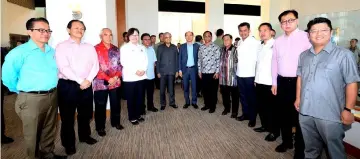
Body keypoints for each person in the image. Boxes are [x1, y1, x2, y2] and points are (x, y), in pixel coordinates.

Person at [296, 17, 360, 159]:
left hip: (330, 115)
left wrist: (349, 109)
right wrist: (298, 98)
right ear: (308, 34)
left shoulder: (344, 55)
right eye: (314, 31)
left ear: (331, 33)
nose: (318, 34)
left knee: (335, 152)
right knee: (310, 150)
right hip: (306, 112)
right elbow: (300, 77)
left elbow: (352, 83)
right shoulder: (303, 56)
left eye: (323, 30)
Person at [2, 17, 65, 159]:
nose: (46, 33)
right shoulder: (19, 52)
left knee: (50, 128)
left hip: (52, 95)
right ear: (29, 32)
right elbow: (7, 77)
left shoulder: (52, 51)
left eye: (48, 30)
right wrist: (22, 91)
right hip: (31, 99)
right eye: (41, 30)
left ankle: (48, 153)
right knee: (32, 134)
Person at [271, 10, 311, 158]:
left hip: (299, 82)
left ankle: (300, 150)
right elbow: (274, 61)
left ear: (297, 21)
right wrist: (274, 82)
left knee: (299, 117)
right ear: (280, 24)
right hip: (282, 82)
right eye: (283, 21)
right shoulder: (278, 41)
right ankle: (287, 141)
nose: (287, 24)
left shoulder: (306, 37)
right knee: (283, 115)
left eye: (290, 20)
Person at [55, 20, 99, 155]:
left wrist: (88, 80)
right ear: (68, 30)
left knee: (85, 114)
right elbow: (63, 67)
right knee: (67, 117)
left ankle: (85, 136)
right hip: (68, 85)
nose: (80, 30)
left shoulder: (89, 47)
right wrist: (81, 80)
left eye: (82, 28)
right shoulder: (61, 46)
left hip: (86, 84)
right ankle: (69, 144)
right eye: (76, 27)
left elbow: (95, 65)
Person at [93, 28, 124, 137]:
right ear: (100, 36)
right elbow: (94, 67)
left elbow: (120, 65)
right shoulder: (95, 49)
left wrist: (116, 77)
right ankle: (100, 127)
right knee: (100, 105)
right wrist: (108, 78)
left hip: (115, 82)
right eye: (106, 34)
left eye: (110, 35)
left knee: (116, 104)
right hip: (100, 82)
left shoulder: (116, 49)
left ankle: (116, 122)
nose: (109, 37)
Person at [254, 23, 279, 142]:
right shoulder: (260, 45)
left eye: (265, 30)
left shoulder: (276, 45)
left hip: (270, 83)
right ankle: (265, 126)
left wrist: (276, 83)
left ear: (271, 32)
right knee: (261, 106)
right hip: (259, 81)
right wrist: (255, 79)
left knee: (272, 109)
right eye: (260, 30)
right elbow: (258, 65)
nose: (262, 33)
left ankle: (274, 131)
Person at [235, 22, 261, 127]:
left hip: (250, 74)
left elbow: (258, 61)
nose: (243, 33)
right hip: (240, 73)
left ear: (249, 31)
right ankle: (245, 114)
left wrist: (256, 77)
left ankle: (252, 117)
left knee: (251, 97)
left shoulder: (255, 43)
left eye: (245, 30)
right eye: (241, 31)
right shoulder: (239, 42)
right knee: (243, 96)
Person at [120, 28, 148, 125]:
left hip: (141, 76)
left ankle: (138, 114)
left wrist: (143, 70)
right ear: (128, 37)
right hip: (130, 77)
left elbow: (146, 60)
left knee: (140, 97)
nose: (135, 37)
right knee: (131, 98)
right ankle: (132, 117)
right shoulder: (124, 48)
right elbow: (124, 62)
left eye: (136, 35)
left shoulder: (142, 47)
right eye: (132, 35)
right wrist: (135, 71)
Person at [198, 31, 220, 113]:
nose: (207, 38)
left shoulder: (216, 47)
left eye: (209, 36)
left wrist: (217, 72)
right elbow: (199, 60)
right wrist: (199, 71)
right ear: (203, 37)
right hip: (204, 72)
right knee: (205, 90)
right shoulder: (201, 47)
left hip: (213, 73)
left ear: (211, 37)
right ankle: (206, 104)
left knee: (213, 91)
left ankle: (212, 106)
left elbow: (218, 60)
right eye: (205, 36)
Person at [157, 32, 179, 110]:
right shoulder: (160, 47)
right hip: (162, 72)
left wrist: (177, 71)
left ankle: (172, 102)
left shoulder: (174, 47)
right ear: (163, 38)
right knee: (162, 90)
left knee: (171, 89)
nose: (168, 38)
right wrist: (158, 72)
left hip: (172, 71)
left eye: (169, 37)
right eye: (166, 37)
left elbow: (177, 59)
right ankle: (163, 104)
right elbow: (158, 61)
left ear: (171, 37)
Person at [219, 34, 239, 118]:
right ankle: (226, 108)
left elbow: (238, 63)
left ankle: (234, 112)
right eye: (224, 40)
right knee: (225, 95)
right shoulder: (221, 50)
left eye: (228, 39)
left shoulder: (235, 50)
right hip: (223, 77)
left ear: (231, 40)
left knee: (234, 96)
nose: (226, 41)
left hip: (233, 78)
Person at [179, 31, 200, 109]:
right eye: (187, 35)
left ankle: (194, 102)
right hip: (185, 69)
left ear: (193, 36)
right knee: (185, 87)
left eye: (190, 35)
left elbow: (200, 58)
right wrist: (180, 70)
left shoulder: (197, 46)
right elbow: (179, 59)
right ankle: (187, 102)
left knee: (194, 87)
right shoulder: (182, 46)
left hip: (194, 69)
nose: (188, 37)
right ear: (185, 37)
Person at [141, 33, 158, 113]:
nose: (147, 41)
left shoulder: (152, 49)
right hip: (142, 76)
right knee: (141, 94)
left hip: (151, 75)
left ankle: (150, 106)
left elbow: (154, 63)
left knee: (150, 93)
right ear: (142, 41)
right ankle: (142, 109)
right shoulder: (139, 49)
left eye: (148, 39)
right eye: (145, 39)